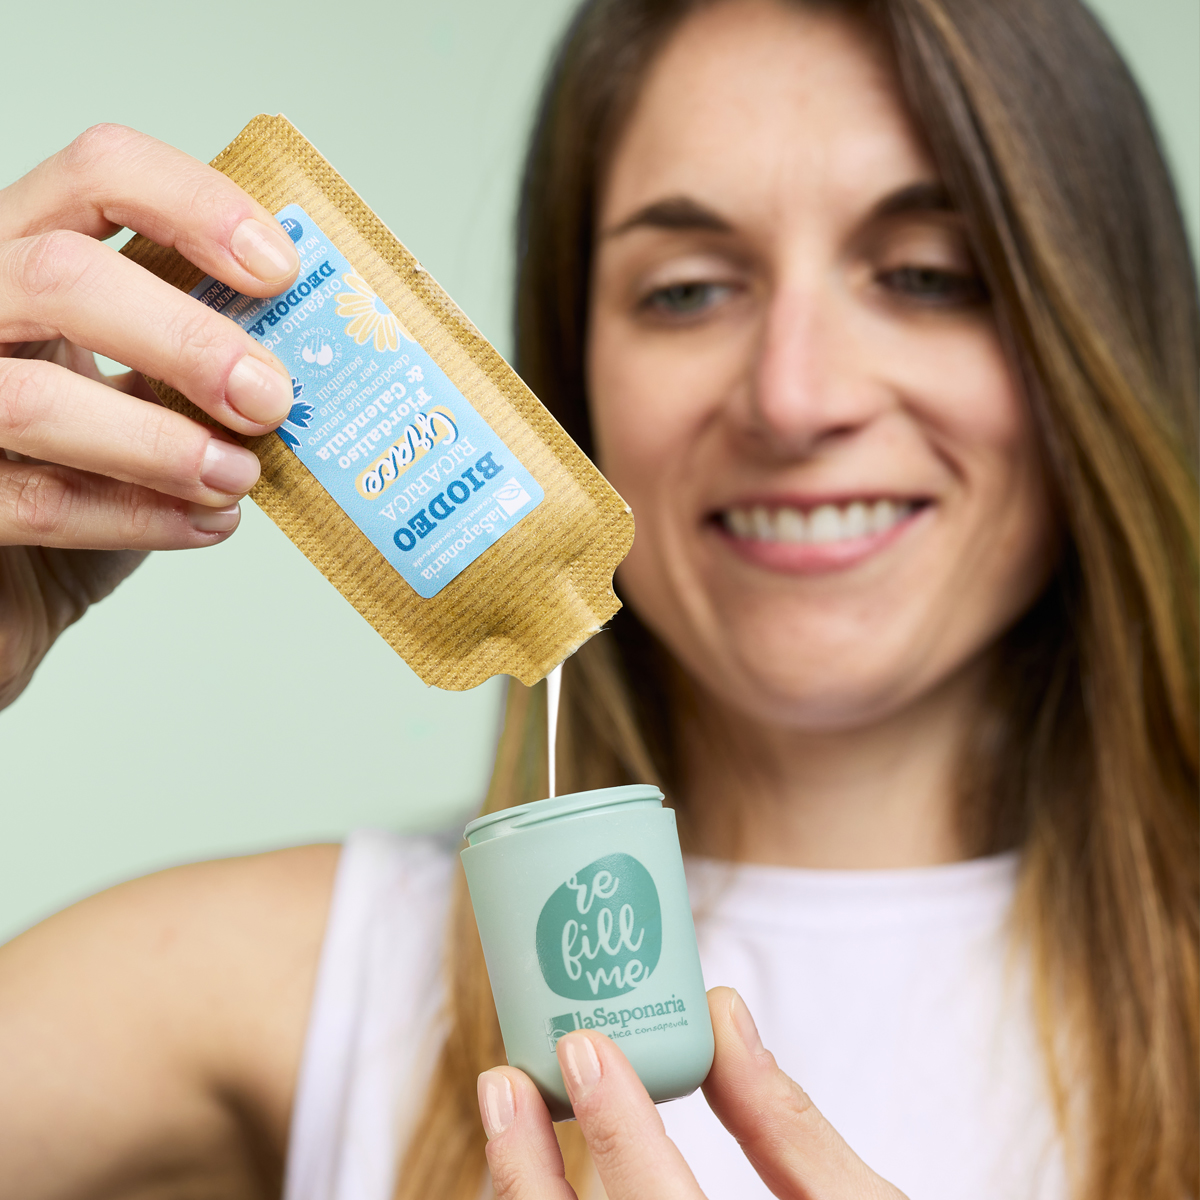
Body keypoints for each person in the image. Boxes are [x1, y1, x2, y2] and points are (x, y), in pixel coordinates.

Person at [0, 0, 1195, 1197]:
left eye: (928, 276)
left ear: (1098, 340)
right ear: (566, 391)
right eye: (687, 292)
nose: (795, 399)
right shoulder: (280, 984)